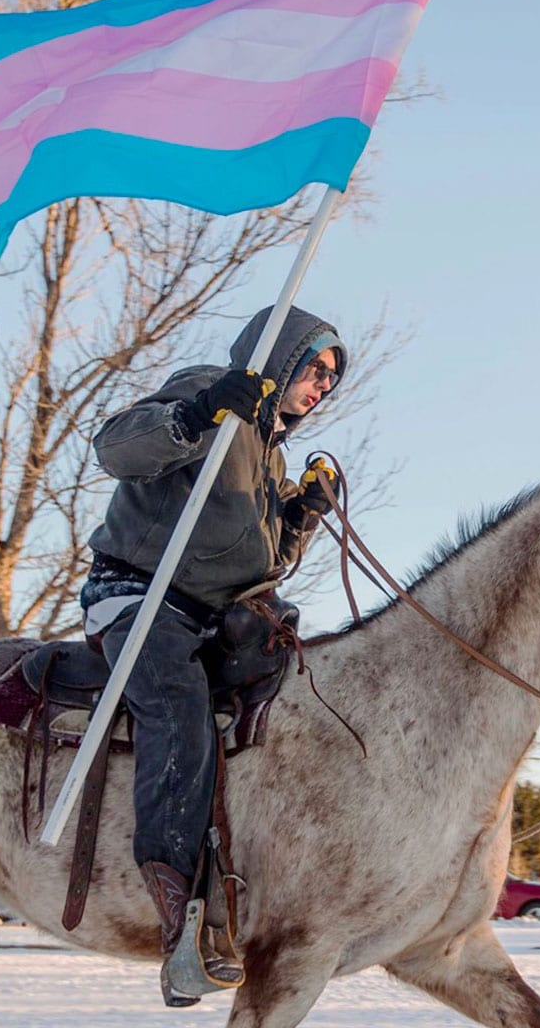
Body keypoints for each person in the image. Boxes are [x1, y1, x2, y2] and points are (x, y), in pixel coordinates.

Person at [82, 305, 345, 1005]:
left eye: (331, 379)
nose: (322, 385)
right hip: (140, 597)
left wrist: (303, 516)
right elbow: (115, 449)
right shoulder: (208, 389)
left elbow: (263, 564)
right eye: (315, 367)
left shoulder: (272, 454)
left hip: (214, 616)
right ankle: (181, 924)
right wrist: (196, 413)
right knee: (180, 711)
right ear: (280, 356)